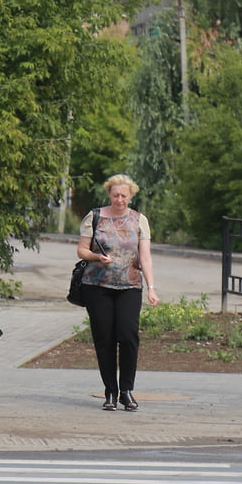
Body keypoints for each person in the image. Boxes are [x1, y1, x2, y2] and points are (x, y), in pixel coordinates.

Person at [76, 173, 160, 412]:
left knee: (128, 336)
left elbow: (145, 257)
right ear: (109, 195)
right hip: (97, 286)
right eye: (115, 195)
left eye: (124, 195)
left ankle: (127, 390)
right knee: (104, 339)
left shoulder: (139, 220)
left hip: (130, 286)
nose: (119, 199)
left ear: (131, 196)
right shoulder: (95, 217)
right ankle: (110, 391)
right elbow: (82, 250)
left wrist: (152, 288)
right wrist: (96, 257)